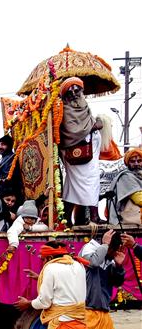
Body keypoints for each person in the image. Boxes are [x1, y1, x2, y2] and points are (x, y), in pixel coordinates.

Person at [59, 77, 103, 225]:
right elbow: (71, 131)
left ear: (81, 90)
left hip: (89, 152)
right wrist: (93, 127)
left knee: (74, 186)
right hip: (76, 155)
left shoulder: (84, 106)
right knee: (90, 182)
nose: (73, 92)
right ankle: (94, 217)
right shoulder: (65, 109)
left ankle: (66, 218)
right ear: (65, 95)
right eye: (69, 90)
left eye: (76, 89)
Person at [107, 147, 142, 227]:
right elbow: (139, 199)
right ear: (127, 163)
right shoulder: (126, 177)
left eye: (139, 161)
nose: (136, 164)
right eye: (132, 161)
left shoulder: (139, 176)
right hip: (129, 217)